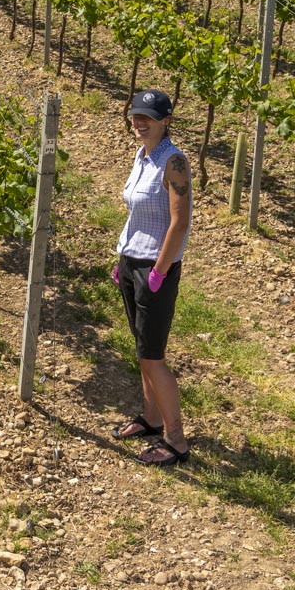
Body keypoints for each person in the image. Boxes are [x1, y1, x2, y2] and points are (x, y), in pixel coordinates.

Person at [111, 89, 193, 466]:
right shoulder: (142, 156)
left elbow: (180, 223)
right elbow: (137, 214)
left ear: (166, 121)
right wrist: (123, 257)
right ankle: (151, 419)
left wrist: (159, 272)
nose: (139, 122)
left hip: (154, 268)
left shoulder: (173, 162)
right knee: (142, 350)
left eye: (148, 117)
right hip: (133, 262)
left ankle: (176, 440)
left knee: (153, 355)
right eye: (135, 116)